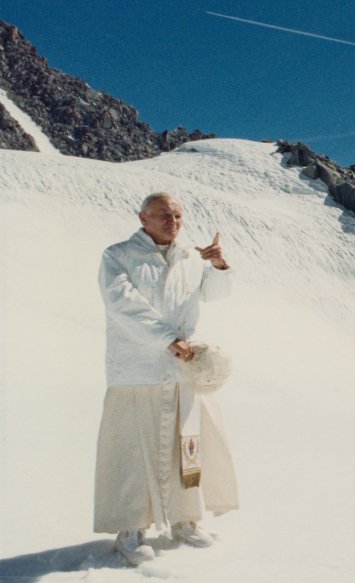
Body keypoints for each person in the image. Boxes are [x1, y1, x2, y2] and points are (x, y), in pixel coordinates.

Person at [94, 192, 238, 566]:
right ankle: (130, 529)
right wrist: (165, 338)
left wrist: (220, 267)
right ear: (142, 218)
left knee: (187, 447)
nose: (171, 221)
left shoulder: (191, 258)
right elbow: (122, 303)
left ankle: (185, 519)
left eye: (176, 215)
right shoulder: (118, 255)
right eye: (162, 215)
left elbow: (212, 295)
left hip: (182, 370)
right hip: (135, 370)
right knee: (131, 452)